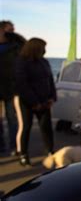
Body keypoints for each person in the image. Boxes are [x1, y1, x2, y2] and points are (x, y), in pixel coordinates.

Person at [15, 38, 56, 166]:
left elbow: (50, 81)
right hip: (27, 102)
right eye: (43, 47)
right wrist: (34, 102)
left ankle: (50, 151)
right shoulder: (22, 62)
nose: (45, 50)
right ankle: (23, 154)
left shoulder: (44, 62)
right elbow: (22, 84)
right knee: (26, 127)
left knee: (46, 127)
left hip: (44, 101)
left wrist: (52, 97)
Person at [0, 20, 26, 156]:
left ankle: (14, 146)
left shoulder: (16, 45)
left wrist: (16, 37)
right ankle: (1, 146)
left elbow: (26, 47)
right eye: (10, 29)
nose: (13, 32)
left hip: (11, 88)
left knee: (12, 118)